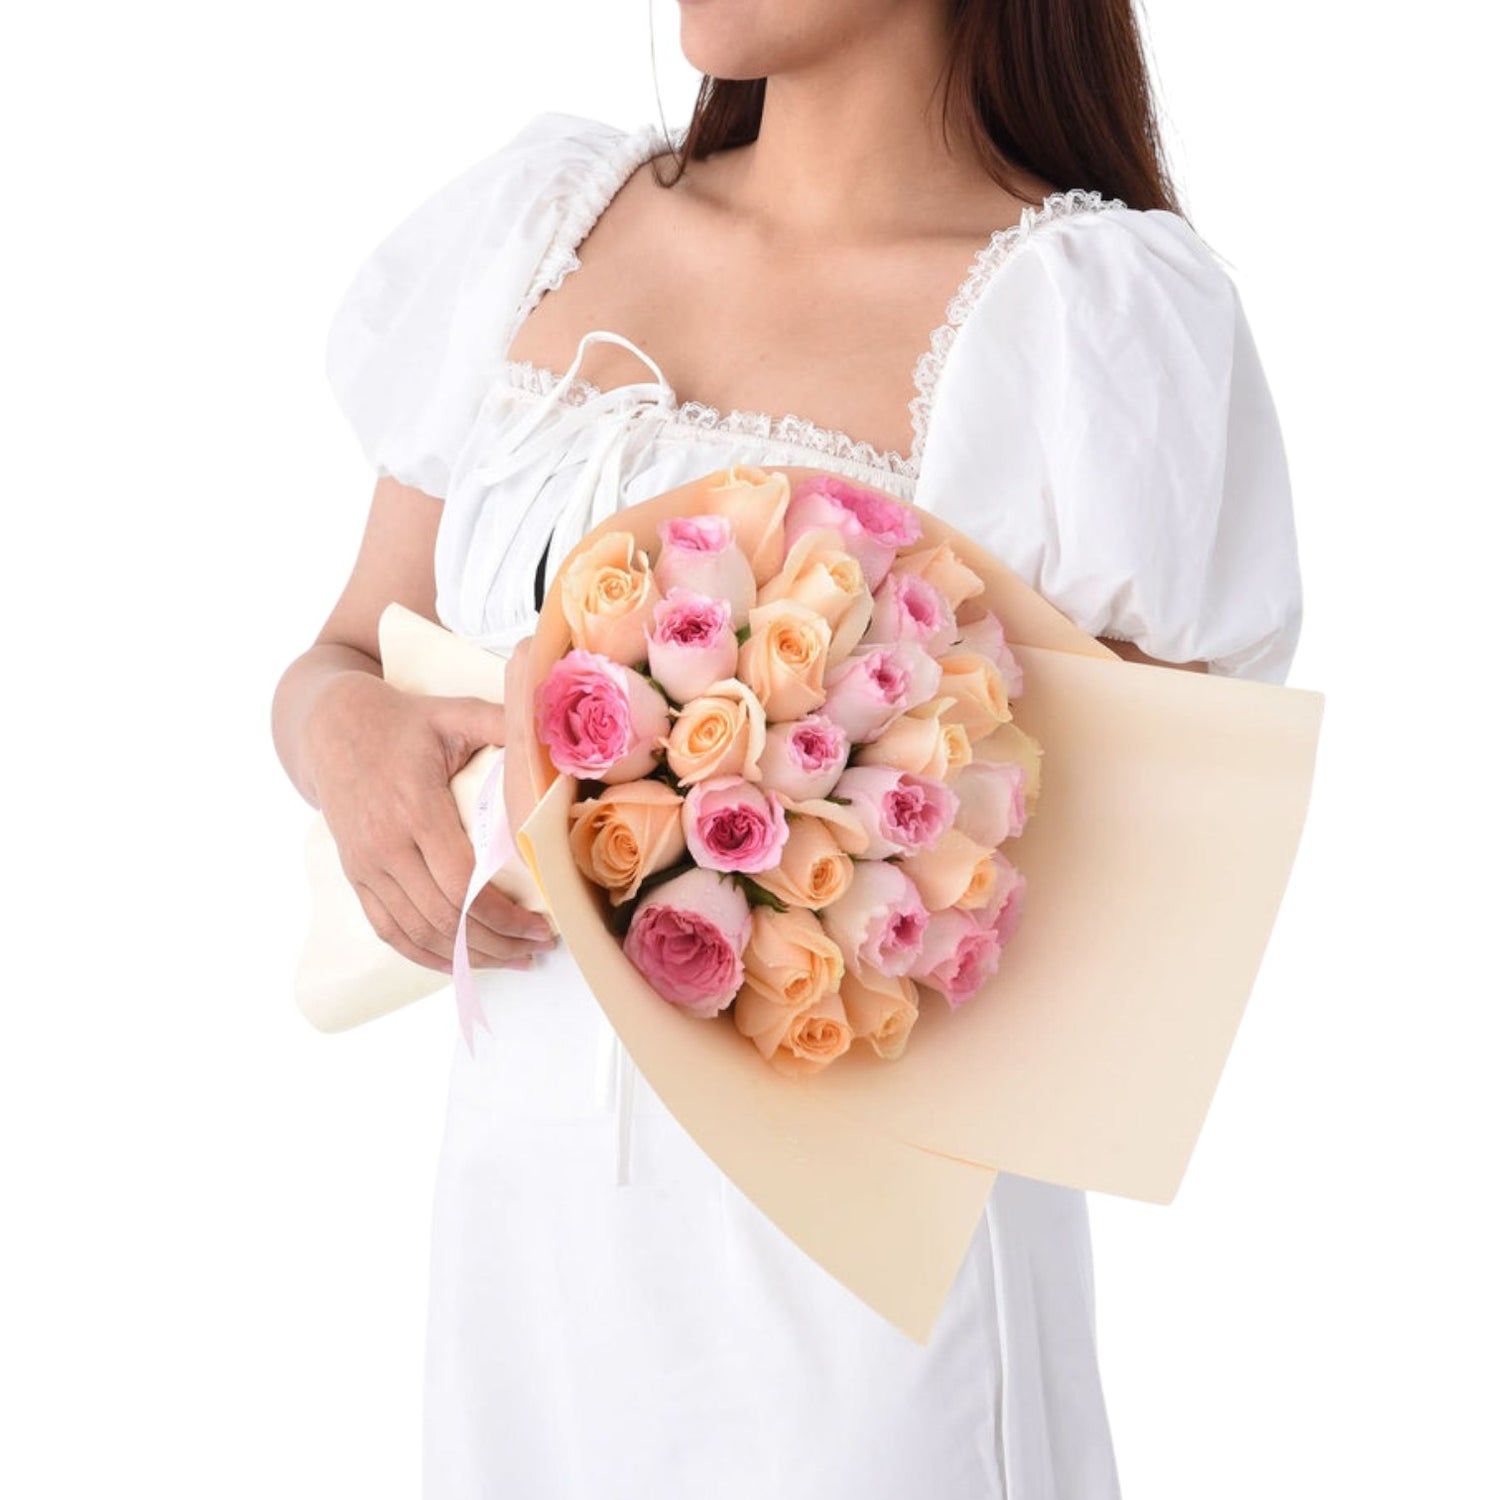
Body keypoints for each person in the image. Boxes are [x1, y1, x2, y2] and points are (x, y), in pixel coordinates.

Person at [271, 2, 1304, 1495]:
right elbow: (344, 652)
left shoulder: (1088, 318)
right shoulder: (542, 223)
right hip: (528, 1241)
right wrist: (341, 735)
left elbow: (1133, 919)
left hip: (861, 1308)